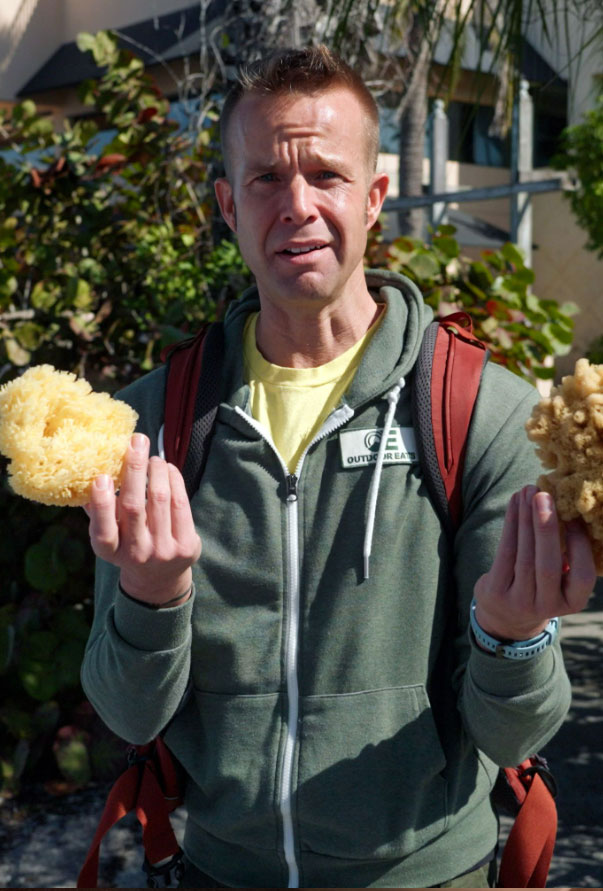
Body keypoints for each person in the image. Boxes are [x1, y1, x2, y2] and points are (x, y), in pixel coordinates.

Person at [81, 46, 596, 889]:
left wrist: (509, 635)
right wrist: (152, 596)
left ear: (374, 196)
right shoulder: (152, 422)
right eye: (264, 179)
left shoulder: (477, 409)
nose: (297, 205)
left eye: (326, 174)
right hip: (221, 871)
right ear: (227, 205)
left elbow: (516, 734)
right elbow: (126, 713)